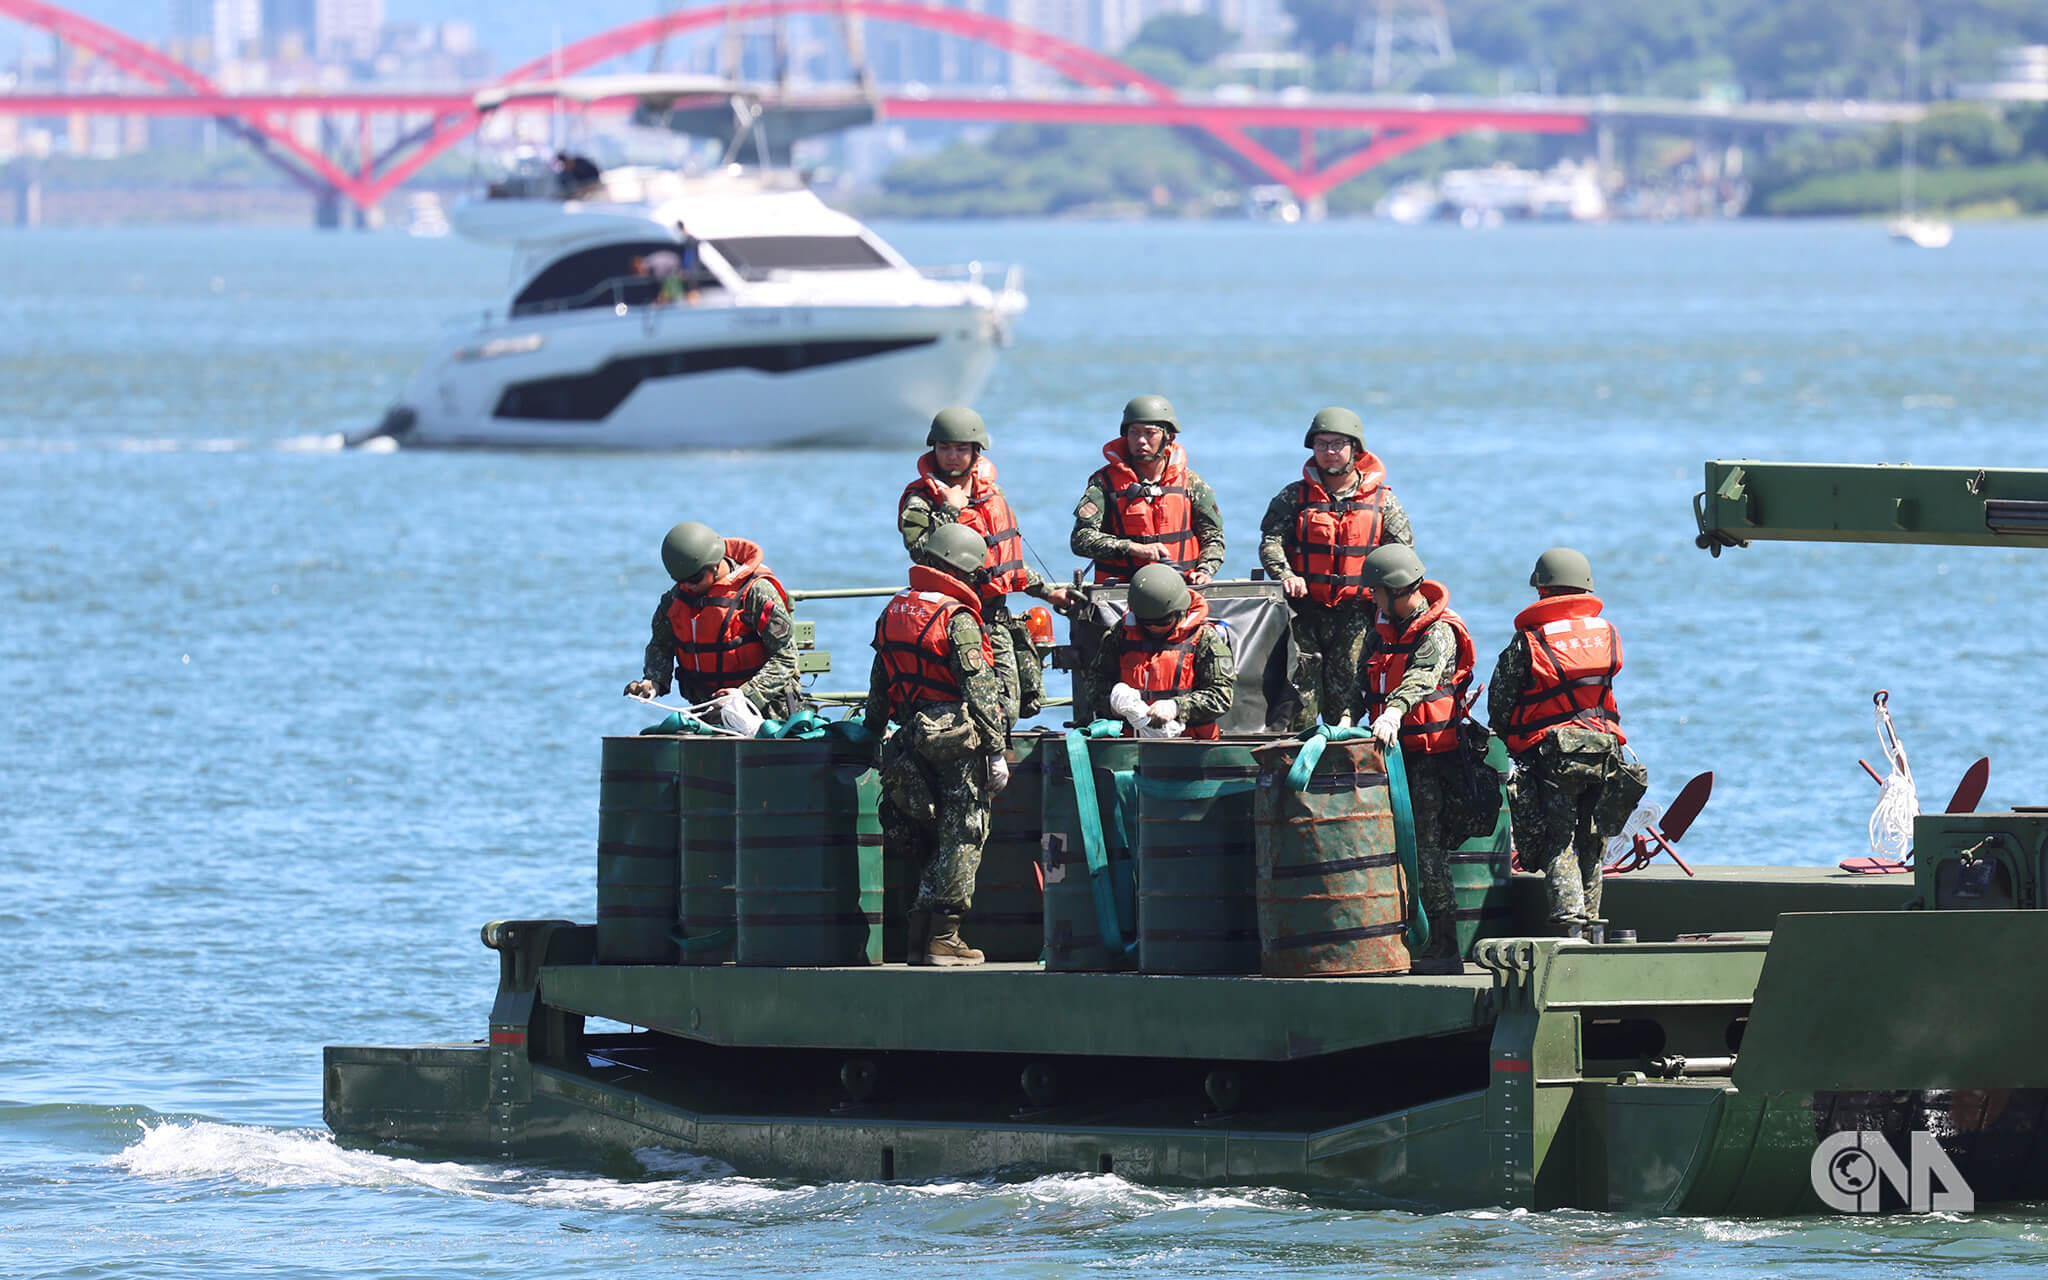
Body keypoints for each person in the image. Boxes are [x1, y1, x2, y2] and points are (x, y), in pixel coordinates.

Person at [864, 522, 1014, 967]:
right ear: (965, 569)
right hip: (956, 744)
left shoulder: (894, 609)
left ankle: (916, 940)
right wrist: (996, 751)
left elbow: (879, 684)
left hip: (908, 738)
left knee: (926, 835)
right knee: (964, 835)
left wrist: (872, 732)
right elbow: (981, 692)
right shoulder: (958, 617)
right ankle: (944, 939)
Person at [1487, 547, 1635, 938]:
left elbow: (1500, 703)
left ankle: (1571, 922)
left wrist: (1507, 738)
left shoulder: (1530, 641)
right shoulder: (1606, 633)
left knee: (1560, 837)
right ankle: (1594, 927)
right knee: (1594, 837)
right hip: (1605, 752)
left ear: (1541, 589)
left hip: (1552, 756)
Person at [899, 406, 1074, 721]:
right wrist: (950, 511)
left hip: (994, 618)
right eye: (945, 448)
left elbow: (1004, 561)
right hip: (948, 620)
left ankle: (998, 761)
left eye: (961, 449)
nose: (952, 455)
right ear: (934, 449)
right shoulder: (920, 500)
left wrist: (1049, 592)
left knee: (1008, 705)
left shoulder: (990, 494)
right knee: (957, 705)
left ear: (975, 451)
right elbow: (920, 554)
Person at [1257, 406, 1415, 729]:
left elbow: (1402, 556)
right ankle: (1295, 766)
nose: (1329, 452)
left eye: (1337, 444)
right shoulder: (1294, 497)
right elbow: (1270, 542)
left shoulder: (1383, 501)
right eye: (1322, 444)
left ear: (1354, 449)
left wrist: (1389, 599)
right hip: (1303, 613)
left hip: (1358, 615)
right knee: (1298, 699)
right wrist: (1286, 575)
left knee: (1347, 702)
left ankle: (1341, 767)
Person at [1359, 545, 1475, 975]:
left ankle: (1444, 948)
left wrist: (1395, 709)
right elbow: (1362, 676)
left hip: (1427, 760)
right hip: (1385, 752)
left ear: (1393, 590)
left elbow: (1422, 677)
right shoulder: (1384, 628)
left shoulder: (1437, 631)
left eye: (1376, 591)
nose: (1371, 598)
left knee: (1426, 848)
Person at [623, 521, 798, 729]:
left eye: (695, 579)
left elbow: (786, 657)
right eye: (681, 581)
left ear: (715, 565)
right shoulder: (675, 600)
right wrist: (653, 681)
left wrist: (743, 696)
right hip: (706, 713)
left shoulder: (756, 593)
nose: (688, 586)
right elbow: (660, 644)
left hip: (767, 712)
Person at [1070, 394, 1225, 586]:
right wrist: (1132, 548)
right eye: (1134, 432)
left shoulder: (1191, 483)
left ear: (1169, 438)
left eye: (1150, 433)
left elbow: (1214, 537)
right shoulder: (1104, 483)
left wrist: (1205, 571)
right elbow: (1080, 539)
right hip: (1122, 593)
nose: (1141, 440)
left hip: (1180, 589)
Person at [1087, 563, 1234, 738]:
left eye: (1163, 622)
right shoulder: (1121, 633)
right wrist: (1115, 702)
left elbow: (1222, 696)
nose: (1155, 628)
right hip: (1130, 742)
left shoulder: (1204, 637)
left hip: (1190, 744)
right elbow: (1094, 683)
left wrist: (1178, 707)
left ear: (1179, 611)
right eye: (1147, 623)